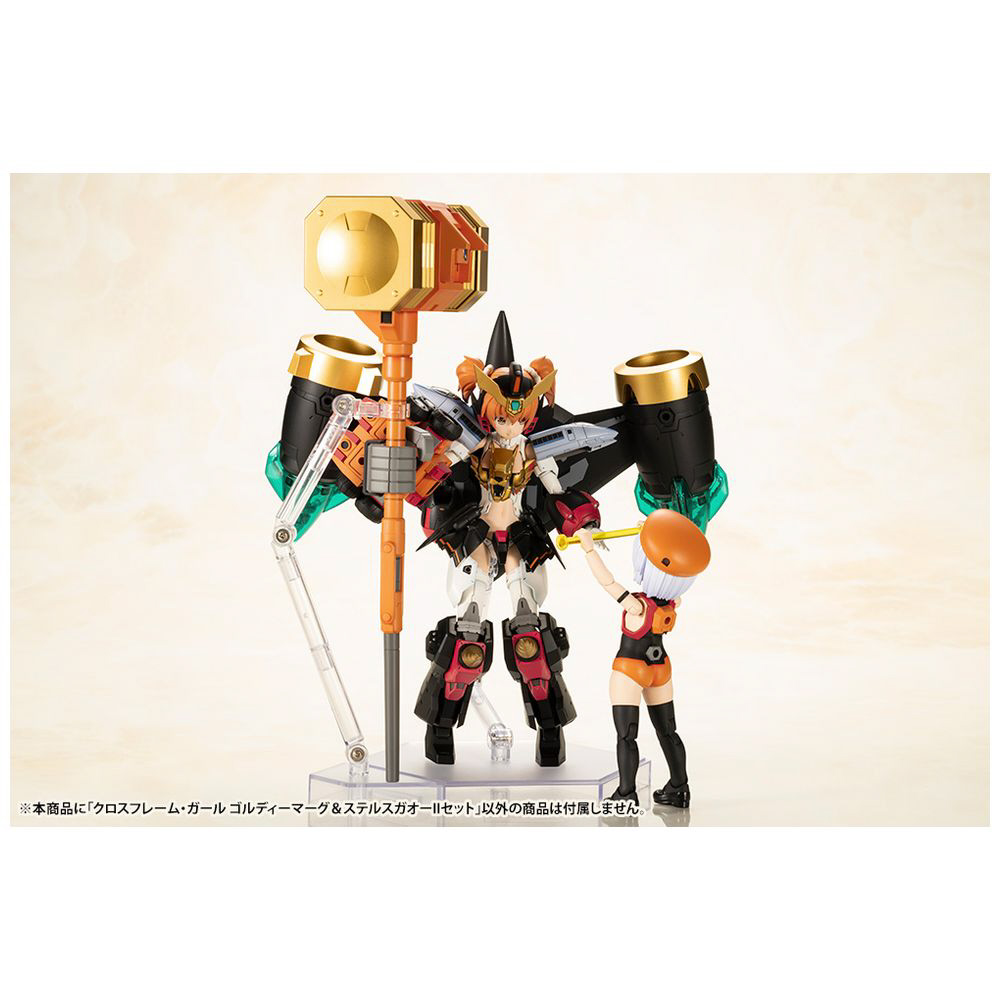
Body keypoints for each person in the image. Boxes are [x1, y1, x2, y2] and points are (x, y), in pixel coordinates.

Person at [574, 509, 711, 806]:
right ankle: (679, 787)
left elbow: (608, 582)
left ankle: (626, 793)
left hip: (630, 670)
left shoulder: (638, 606)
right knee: (668, 731)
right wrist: (651, 535)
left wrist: (588, 549)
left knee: (627, 736)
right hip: (661, 669)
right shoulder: (673, 602)